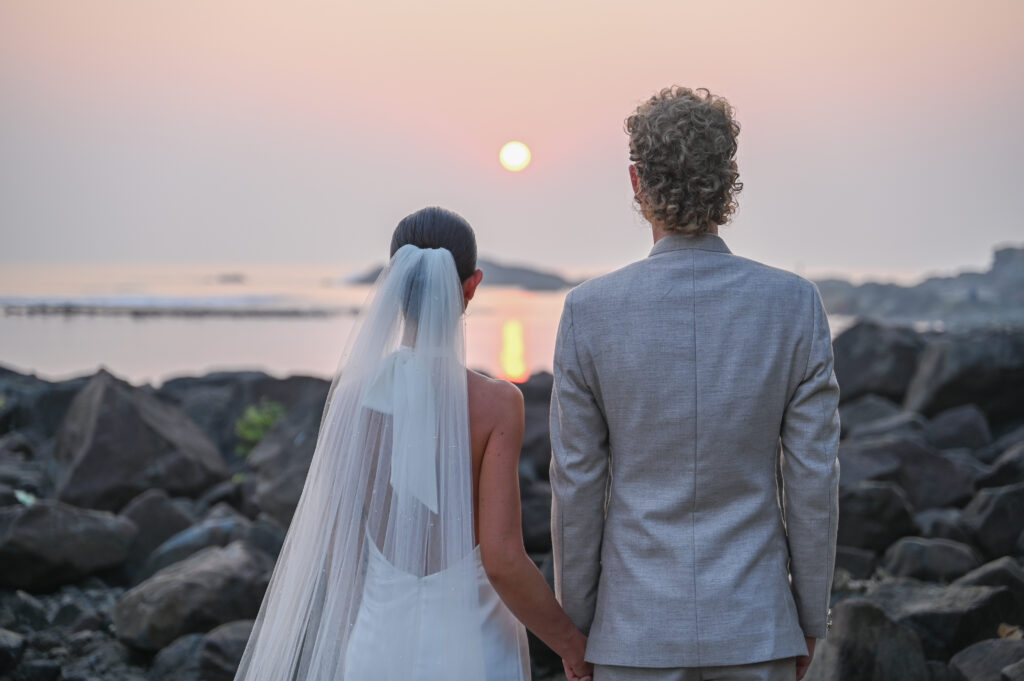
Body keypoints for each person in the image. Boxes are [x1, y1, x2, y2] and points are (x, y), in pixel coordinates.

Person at [549, 86, 840, 681]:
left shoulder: (589, 312)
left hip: (633, 635)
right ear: (728, 179)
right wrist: (810, 617)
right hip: (756, 627)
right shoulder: (794, 305)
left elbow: (576, 487)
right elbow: (813, 479)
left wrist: (576, 628)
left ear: (637, 182)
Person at [232, 207, 591, 681]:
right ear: (472, 286)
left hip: (376, 647)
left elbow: (341, 557)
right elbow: (502, 561)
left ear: (394, 286)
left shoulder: (353, 401)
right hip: (474, 648)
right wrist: (572, 646)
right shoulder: (498, 404)